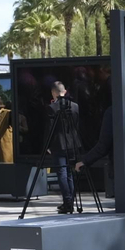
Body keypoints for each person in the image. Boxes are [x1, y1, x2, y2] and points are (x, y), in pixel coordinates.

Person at [49, 81, 82, 213]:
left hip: (59, 144)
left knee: (62, 173)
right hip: (73, 143)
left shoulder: (52, 107)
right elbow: (77, 125)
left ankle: (68, 202)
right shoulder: (75, 106)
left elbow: (50, 129)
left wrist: (48, 145)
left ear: (53, 92)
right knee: (69, 173)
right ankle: (69, 202)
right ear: (65, 91)